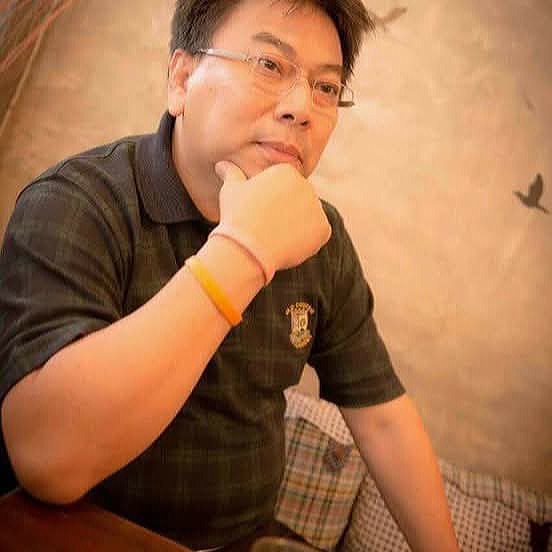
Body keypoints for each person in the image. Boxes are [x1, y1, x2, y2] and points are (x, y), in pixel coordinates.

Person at [0, 1, 460, 550]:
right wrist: (245, 251)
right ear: (182, 79)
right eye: (270, 65)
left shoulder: (322, 238)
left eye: (326, 87)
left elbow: (382, 416)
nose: (302, 108)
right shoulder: (77, 203)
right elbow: (48, 459)